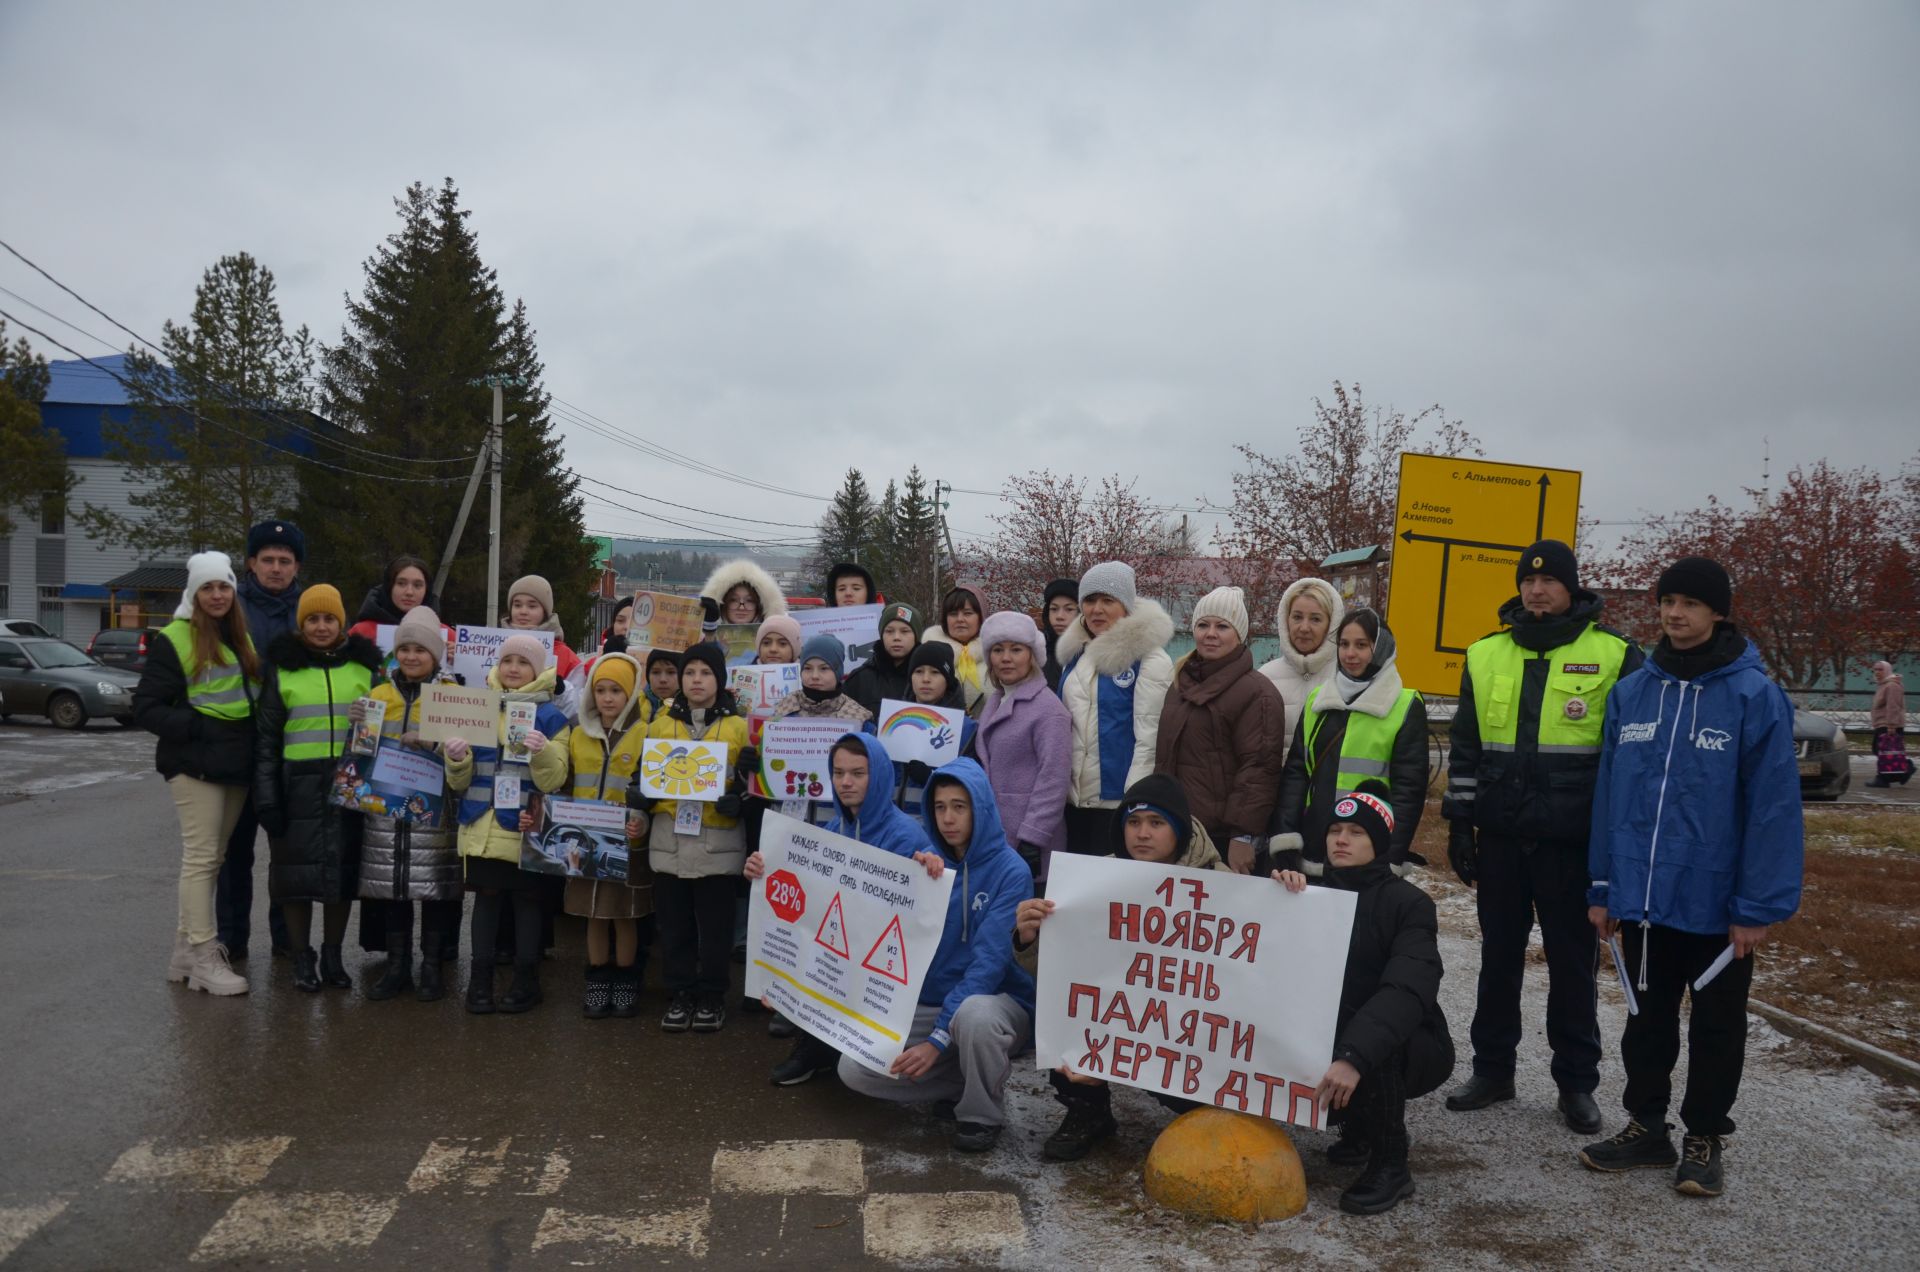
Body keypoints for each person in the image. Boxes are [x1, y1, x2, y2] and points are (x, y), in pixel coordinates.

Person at [1580, 556, 1803, 1199]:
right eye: (1667, 601)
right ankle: (1647, 1128)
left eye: (1690, 604)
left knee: (1717, 1025)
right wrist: (1603, 887)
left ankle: (1704, 1137)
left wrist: (1757, 905)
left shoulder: (1754, 697)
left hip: (1717, 902)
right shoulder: (1633, 693)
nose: (1675, 614)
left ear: (1717, 613)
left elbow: (1773, 812)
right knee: (1646, 1020)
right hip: (1644, 900)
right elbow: (1610, 797)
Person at [1441, 541, 1644, 1134]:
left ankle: (1576, 1084)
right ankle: (1492, 1071)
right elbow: (1467, 749)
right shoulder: (1484, 655)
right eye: (1529, 582)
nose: (1537, 591)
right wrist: (1460, 822)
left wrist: (1613, 850)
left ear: (1571, 588)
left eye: (1550, 581)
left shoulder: (1615, 655)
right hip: (1502, 841)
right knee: (1497, 960)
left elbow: (1625, 759)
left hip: (1572, 845)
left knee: (1572, 967)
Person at [1015, 773, 1222, 1161]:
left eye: (1156, 823)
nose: (1142, 833)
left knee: (1199, 1105)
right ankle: (1087, 1111)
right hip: (1124, 1020)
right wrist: (1029, 939)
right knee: (1071, 1009)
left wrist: (1287, 891)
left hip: (1183, 1035)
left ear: (1179, 830)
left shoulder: (1220, 883)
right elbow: (1061, 972)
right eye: (1133, 822)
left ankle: (1207, 1116)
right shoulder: (1093, 883)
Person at [835, 759, 1035, 1152]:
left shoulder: (1011, 870)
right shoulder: (924, 862)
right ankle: (965, 1076)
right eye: (940, 807)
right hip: (931, 999)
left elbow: (988, 966)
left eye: (960, 807)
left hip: (997, 1000)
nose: (948, 818)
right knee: (853, 1069)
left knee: (975, 1015)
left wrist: (937, 1041)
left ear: (981, 808)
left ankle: (981, 1113)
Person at [1274, 782, 1452, 1215]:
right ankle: (1357, 1128)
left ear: (1380, 843)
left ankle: (1392, 1163)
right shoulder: (1307, 896)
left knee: (1370, 1038)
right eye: (1335, 830)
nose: (1340, 839)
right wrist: (1274, 901)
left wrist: (1353, 1057)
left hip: (1410, 1043)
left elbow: (1407, 988)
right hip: (1335, 1033)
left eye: (1356, 832)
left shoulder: (1409, 904)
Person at [749, 733, 936, 1085]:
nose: (845, 782)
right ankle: (815, 1044)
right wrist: (763, 871)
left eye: (858, 773)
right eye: (838, 772)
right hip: (845, 944)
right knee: (816, 946)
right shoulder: (833, 828)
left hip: (882, 957)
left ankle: (833, 1045)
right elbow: (806, 891)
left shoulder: (907, 836)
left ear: (878, 776)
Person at [136, 551, 258, 997]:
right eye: (207, 588)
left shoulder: (239, 636)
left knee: (214, 859)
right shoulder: (175, 638)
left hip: (233, 765)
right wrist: (198, 731)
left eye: (224, 586)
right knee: (202, 858)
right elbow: (145, 707)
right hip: (196, 766)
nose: (217, 595)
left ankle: (184, 951)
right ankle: (205, 956)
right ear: (194, 593)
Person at [252, 584, 382, 993]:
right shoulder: (282, 668)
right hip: (297, 787)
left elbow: (382, 731)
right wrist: (268, 797)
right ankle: (301, 956)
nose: (321, 626)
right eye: (313, 619)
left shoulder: (364, 669)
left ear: (341, 622)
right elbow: (267, 741)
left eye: (329, 619)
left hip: (348, 786)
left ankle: (332, 955)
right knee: (294, 878)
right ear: (301, 622)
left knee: (340, 875)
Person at [628, 642, 751, 1033]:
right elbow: (643, 778)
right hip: (670, 842)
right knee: (676, 927)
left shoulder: (738, 726)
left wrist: (741, 796)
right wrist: (641, 797)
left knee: (715, 930)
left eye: (706, 673)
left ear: (721, 679)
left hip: (718, 843)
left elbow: (753, 787)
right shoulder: (661, 724)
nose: (697, 680)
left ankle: (713, 996)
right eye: (690, 673)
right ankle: (680, 992)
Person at [444, 634, 570, 1013]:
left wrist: (543, 752)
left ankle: (526, 980)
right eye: (508, 661)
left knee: (527, 903)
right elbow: (459, 783)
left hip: (524, 830)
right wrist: (457, 759)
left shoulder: (551, 717)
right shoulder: (477, 708)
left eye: (523, 662)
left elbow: (554, 780)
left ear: (538, 670)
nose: (513, 668)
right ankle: (478, 982)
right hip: (481, 824)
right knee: (487, 900)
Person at [355, 605, 462, 1003]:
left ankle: (431, 966)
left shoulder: (452, 697)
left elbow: (465, 753)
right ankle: (397, 966)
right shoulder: (378, 694)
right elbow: (360, 755)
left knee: (432, 888)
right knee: (394, 889)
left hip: (433, 812)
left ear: (435, 655)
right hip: (385, 811)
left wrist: (433, 743)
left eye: (421, 649)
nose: (412, 656)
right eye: (405, 649)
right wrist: (359, 727)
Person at [1265, 608, 1427, 873]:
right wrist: (1285, 839)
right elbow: (1296, 774)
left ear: (1382, 647)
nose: (1350, 654)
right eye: (1344, 644)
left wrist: (1391, 856)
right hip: (1315, 845)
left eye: (1362, 645)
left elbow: (1408, 793)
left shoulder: (1405, 705)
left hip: (1371, 853)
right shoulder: (1319, 700)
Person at [217, 520, 305, 961]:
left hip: (290, 752)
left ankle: (287, 940)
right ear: (250, 563)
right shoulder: (229, 611)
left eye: (284, 561)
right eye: (267, 559)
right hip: (237, 747)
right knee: (233, 854)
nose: (275, 568)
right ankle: (230, 941)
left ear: (296, 567)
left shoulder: (309, 615)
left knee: (286, 852)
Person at [1153, 586, 1288, 873]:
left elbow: (1259, 769)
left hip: (1222, 840)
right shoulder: (1179, 684)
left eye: (1222, 626)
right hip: (1177, 828)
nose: (1210, 633)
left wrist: (1243, 836)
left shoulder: (1257, 693)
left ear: (1239, 635)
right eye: (1203, 625)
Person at [1055, 561, 1176, 858]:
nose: (1096, 609)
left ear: (1126, 605)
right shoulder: (1076, 656)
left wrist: (1135, 804)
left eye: (1107, 600)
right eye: (1090, 600)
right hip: (1074, 801)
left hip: (1118, 804)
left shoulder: (1149, 658)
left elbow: (1150, 740)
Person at [556, 652, 653, 1019]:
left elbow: (651, 791)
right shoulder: (579, 735)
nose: (608, 698)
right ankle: (597, 979)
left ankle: (625, 980)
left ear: (629, 694)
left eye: (616, 690)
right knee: (593, 915)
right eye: (600, 690)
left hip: (625, 845)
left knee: (624, 915)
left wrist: (640, 822)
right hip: (583, 843)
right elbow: (566, 786)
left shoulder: (645, 734)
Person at [973, 612, 1072, 882]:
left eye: (1016, 649)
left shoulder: (1048, 709)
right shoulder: (995, 701)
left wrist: (1032, 837)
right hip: (995, 837)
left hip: (1028, 842)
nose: (1006, 658)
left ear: (1032, 655)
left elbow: (1054, 778)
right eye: (997, 650)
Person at [1258, 577, 1344, 763]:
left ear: (1332, 624)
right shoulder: (1265, 677)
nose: (1304, 628)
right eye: (1297, 617)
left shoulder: (1346, 677)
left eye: (1315, 619)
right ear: (1285, 619)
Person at [893, 641, 977, 818]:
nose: (925, 679)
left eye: (935, 672)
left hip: (939, 830)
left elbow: (971, 787)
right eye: (918, 671)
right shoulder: (890, 721)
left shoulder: (967, 731)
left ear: (947, 680)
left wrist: (931, 777)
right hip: (891, 828)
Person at [346, 554, 444, 645]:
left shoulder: (445, 636)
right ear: (389, 587)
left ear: (427, 590)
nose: (409, 592)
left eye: (417, 585)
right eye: (401, 583)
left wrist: (456, 657)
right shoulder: (360, 633)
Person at [845, 602, 921, 716]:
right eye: (889, 631)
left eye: (905, 631)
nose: (896, 637)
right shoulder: (859, 679)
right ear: (882, 635)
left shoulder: (929, 677)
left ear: (916, 636)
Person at [502, 574, 579, 684]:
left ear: (545, 611)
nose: (523, 612)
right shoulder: (492, 647)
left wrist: (561, 690)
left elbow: (578, 697)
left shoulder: (566, 657)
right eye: (517, 605)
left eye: (532, 606)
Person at [922, 583, 990, 707]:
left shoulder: (996, 655)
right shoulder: (927, 655)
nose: (960, 619)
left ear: (981, 617)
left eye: (968, 613)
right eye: (953, 614)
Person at [700, 559, 787, 629]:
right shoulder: (700, 640)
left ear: (760, 605)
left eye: (749, 600)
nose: (741, 607)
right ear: (722, 604)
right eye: (733, 600)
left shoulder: (777, 644)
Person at [1870, 660, 1912, 786]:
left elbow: (1893, 706)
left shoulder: (1892, 686)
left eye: (1880, 669)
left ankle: (1884, 779)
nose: (1877, 672)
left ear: (1887, 670)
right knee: (1880, 750)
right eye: (1875, 669)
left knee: (1881, 750)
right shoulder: (1883, 685)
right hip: (1883, 723)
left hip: (1889, 724)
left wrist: (1891, 725)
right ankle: (1903, 771)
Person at [1039, 578, 1079, 691]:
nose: (1059, 616)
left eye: (1069, 609)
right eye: (1054, 609)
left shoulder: (1090, 651)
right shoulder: (1036, 649)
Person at [641, 648, 681, 717]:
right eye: (656, 672)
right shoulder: (632, 705)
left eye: (671, 672)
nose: (663, 679)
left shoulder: (691, 711)